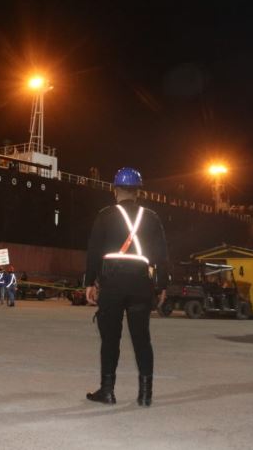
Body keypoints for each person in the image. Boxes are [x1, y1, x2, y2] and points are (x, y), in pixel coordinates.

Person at [85, 167, 169, 407]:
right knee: (142, 339)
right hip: (141, 284)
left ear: (115, 190)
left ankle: (108, 392)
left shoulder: (105, 215)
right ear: (138, 191)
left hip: (112, 284)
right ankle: (145, 395)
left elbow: (93, 251)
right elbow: (162, 255)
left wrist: (90, 282)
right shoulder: (151, 217)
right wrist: (161, 284)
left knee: (110, 339)